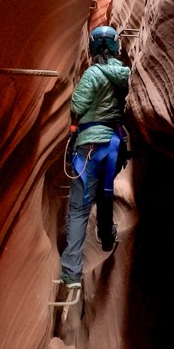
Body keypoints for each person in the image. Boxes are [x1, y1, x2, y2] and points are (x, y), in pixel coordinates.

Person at [60, 25, 131, 289]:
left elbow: (77, 105)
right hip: (114, 146)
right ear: (115, 47)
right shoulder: (125, 74)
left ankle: (71, 272)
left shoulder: (92, 73)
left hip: (88, 146)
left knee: (78, 208)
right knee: (105, 193)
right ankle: (105, 236)